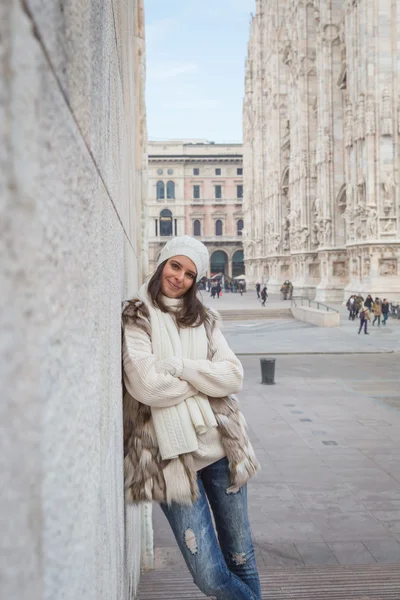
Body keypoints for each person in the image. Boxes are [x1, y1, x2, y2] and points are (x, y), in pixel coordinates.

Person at [121, 236, 261, 600]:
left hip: (221, 451)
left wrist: (181, 368)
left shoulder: (206, 319)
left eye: (189, 273)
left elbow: (234, 376)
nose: (179, 277)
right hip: (171, 461)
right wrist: (203, 381)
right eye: (175, 266)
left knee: (241, 558)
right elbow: (147, 386)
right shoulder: (136, 315)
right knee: (210, 577)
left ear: (196, 281)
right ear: (162, 264)